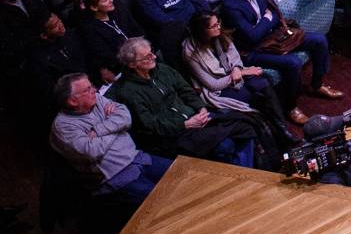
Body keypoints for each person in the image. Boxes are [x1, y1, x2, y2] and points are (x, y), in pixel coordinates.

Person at [107, 37, 266, 169]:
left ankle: (249, 173)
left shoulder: (162, 69)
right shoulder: (128, 91)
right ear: (132, 64)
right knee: (225, 145)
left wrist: (201, 108)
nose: (154, 57)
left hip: (195, 118)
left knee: (247, 123)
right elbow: (150, 124)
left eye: (152, 53)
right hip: (173, 134)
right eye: (147, 57)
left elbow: (186, 90)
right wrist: (185, 124)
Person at [49, 73, 171, 207]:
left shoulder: (96, 100)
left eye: (92, 86)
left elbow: (125, 116)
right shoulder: (63, 126)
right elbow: (91, 151)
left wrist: (98, 130)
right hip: (116, 177)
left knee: (183, 173)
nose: (94, 91)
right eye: (87, 90)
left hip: (138, 158)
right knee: (163, 201)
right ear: (72, 101)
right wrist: (114, 125)